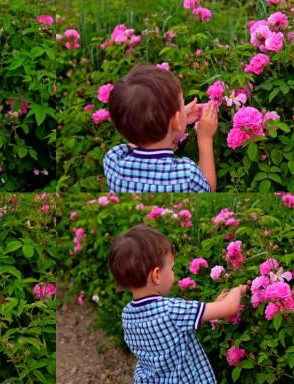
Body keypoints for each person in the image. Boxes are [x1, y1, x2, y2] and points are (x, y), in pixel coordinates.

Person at [108, 225, 247, 383]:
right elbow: (230, 308)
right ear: (157, 275)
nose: (173, 273)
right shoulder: (171, 310)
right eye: (172, 268)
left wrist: (213, 307)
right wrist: (238, 289)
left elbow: (175, 332)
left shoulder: (127, 314)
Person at [104, 64, 218, 192]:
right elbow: (208, 189)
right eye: (181, 105)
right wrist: (205, 138)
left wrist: (176, 121)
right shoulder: (187, 175)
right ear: (175, 120)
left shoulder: (113, 161)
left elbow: (138, 135)